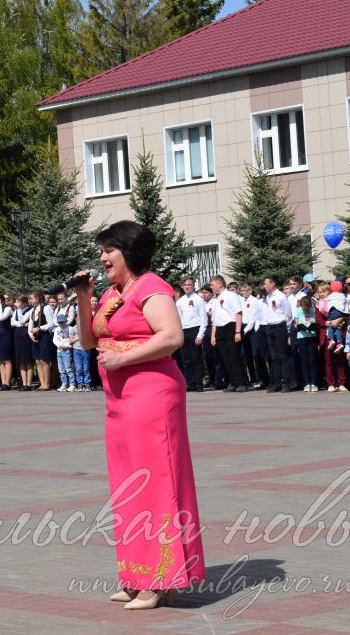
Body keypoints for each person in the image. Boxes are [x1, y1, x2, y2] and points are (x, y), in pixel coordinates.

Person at [73, 220, 205, 610]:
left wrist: (124, 356)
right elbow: (88, 341)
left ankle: (161, 580)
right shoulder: (114, 293)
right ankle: (137, 575)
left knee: (156, 482)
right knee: (130, 484)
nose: (102, 258)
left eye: (108, 250)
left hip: (152, 395)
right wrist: (84, 298)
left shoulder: (152, 287)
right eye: (101, 250)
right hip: (119, 399)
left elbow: (171, 337)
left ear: (128, 251)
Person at [175, 276, 207, 392]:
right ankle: (190, 382)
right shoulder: (180, 302)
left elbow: (204, 318)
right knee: (186, 359)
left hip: (195, 329)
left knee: (196, 358)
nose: (187, 287)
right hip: (184, 330)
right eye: (185, 285)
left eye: (189, 284)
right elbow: (178, 319)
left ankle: (199, 383)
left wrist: (200, 335)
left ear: (193, 286)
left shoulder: (199, 299)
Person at [294, 295, 318, 392]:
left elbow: (316, 322)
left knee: (312, 361)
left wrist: (313, 326)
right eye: (304, 307)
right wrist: (299, 326)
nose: (306, 309)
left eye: (307, 307)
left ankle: (313, 383)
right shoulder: (299, 311)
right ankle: (307, 383)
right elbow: (295, 324)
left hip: (312, 337)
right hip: (302, 337)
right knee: (304, 361)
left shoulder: (313, 311)